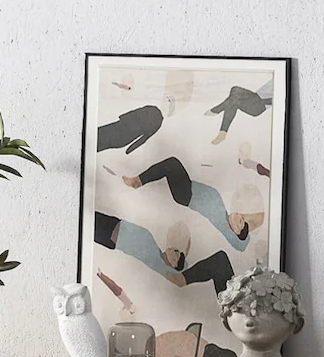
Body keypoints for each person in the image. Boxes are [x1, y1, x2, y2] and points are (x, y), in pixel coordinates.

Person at [123, 156, 263, 250]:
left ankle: (138, 181)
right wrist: (244, 226)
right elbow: (241, 227)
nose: (239, 216)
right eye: (241, 218)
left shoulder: (222, 223)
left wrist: (246, 234)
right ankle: (138, 181)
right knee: (171, 165)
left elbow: (241, 245)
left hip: (186, 194)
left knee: (172, 163)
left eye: (238, 223)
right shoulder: (224, 214)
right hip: (187, 188)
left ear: (234, 231)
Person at [94, 212, 234, 295]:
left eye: (177, 256)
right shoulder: (156, 251)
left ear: (172, 266)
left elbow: (178, 279)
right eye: (178, 252)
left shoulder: (158, 263)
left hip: (109, 233)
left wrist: (185, 264)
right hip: (113, 224)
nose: (175, 252)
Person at [207, 79, 273, 144]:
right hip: (256, 96)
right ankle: (217, 110)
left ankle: (222, 131)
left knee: (234, 100)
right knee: (235, 89)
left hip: (260, 105)